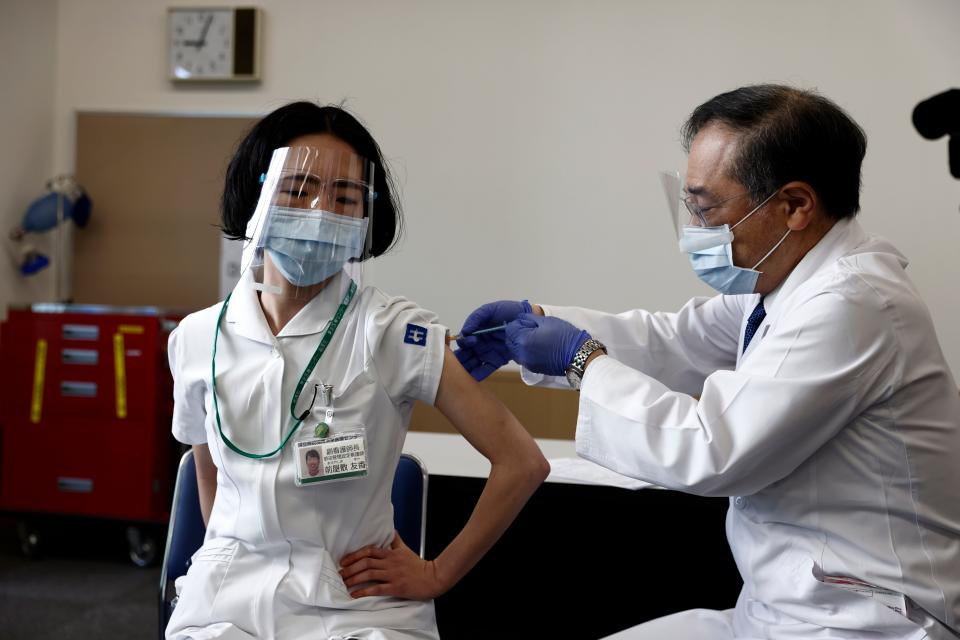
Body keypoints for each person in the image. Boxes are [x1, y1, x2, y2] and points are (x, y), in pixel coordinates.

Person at [455, 85, 960, 639]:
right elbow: (676, 340)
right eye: (690, 207)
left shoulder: (852, 303)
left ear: (794, 206)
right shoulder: (786, 284)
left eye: (708, 208)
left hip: (865, 623)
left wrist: (579, 359)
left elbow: (713, 449)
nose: (696, 230)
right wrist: (540, 320)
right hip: (782, 612)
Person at [166, 101, 549, 640]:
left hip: (355, 607)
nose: (321, 210)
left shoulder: (394, 331)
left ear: (366, 217)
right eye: (299, 189)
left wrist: (437, 573)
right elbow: (206, 467)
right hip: (225, 603)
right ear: (256, 196)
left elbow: (522, 462)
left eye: (345, 197)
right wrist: (226, 553)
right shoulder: (197, 338)